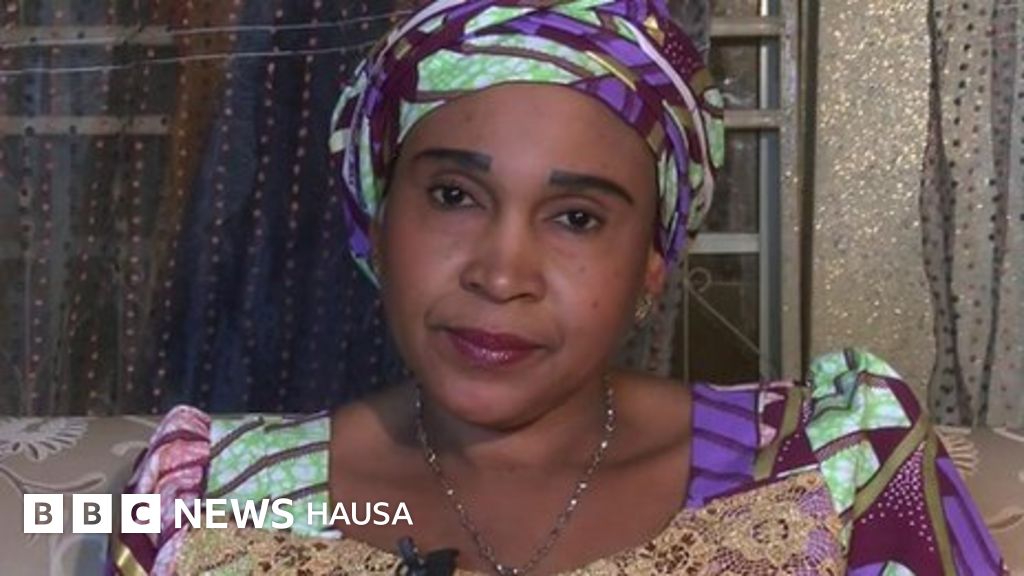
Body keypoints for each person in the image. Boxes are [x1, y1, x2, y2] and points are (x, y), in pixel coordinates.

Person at [110, 1, 1007, 574]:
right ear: (377, 222)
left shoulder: (834, 472)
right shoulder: (208, 494)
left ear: (652, 261)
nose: (502, 274)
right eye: (454, 197)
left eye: (577, 217)